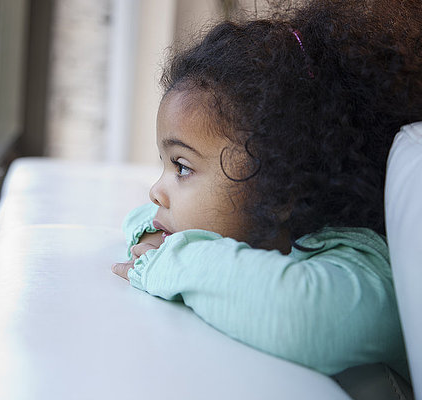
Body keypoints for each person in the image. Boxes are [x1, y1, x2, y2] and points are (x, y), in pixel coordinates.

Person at [112, 0, 422, 379]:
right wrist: (154, 236)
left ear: (279, 188)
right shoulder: (257, 231)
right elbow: (140, 219)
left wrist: (165, 263)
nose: (155, 192)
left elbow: (306, 320)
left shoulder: (364, 266)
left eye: (182, 167)